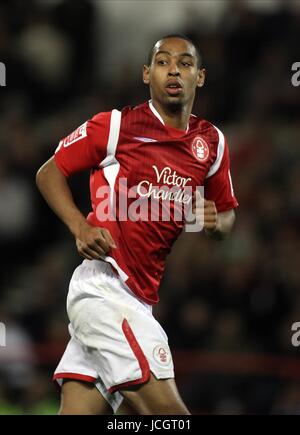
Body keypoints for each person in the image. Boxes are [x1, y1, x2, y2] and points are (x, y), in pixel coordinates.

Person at [36, 34, 238, 415]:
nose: (174, 69)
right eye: (162, 62)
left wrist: (216, 223)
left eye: (185, 63)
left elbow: (226, 214)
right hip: (106, 289)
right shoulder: (115, 126)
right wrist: (80, 226)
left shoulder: (211, 144)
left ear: (201, 77)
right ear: (147, 74)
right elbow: (49, 172)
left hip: (140, 299)